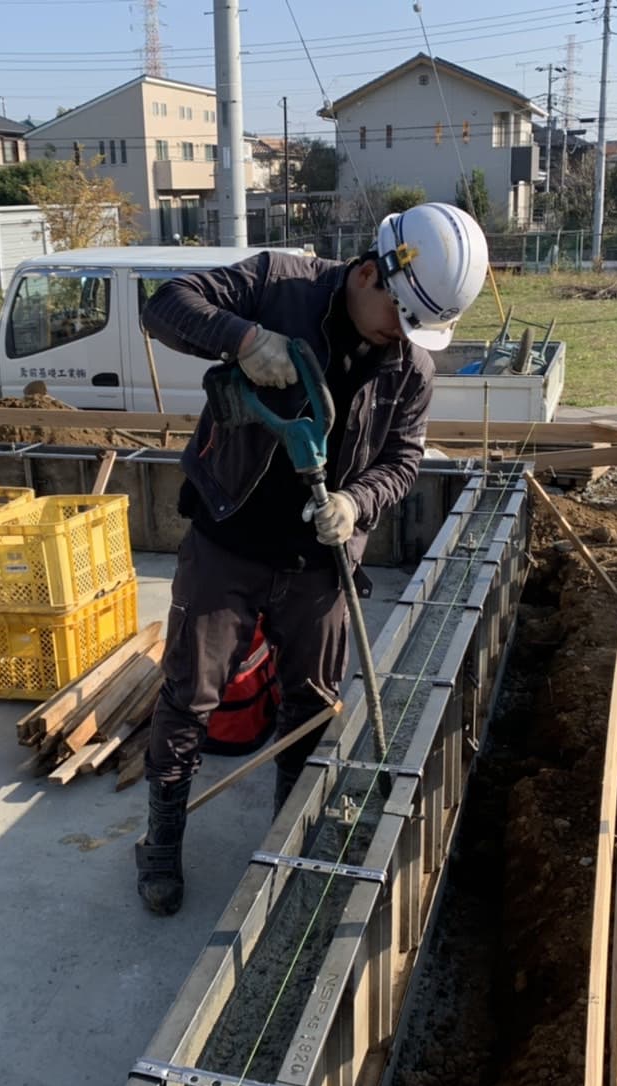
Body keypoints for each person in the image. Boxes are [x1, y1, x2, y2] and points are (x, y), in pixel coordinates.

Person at [134, 202, 490, 916]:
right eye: (400, 316)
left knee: (313, 706)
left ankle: (288, 838)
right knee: (189, 697)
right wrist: (242, 337)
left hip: (320, 564)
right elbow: (163, 306)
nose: (403, 336)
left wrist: (356, 503)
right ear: (369, 273)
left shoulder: (410, 368)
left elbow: (403, 461)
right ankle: (162, 839)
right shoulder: (278, 283)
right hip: (229, 540)